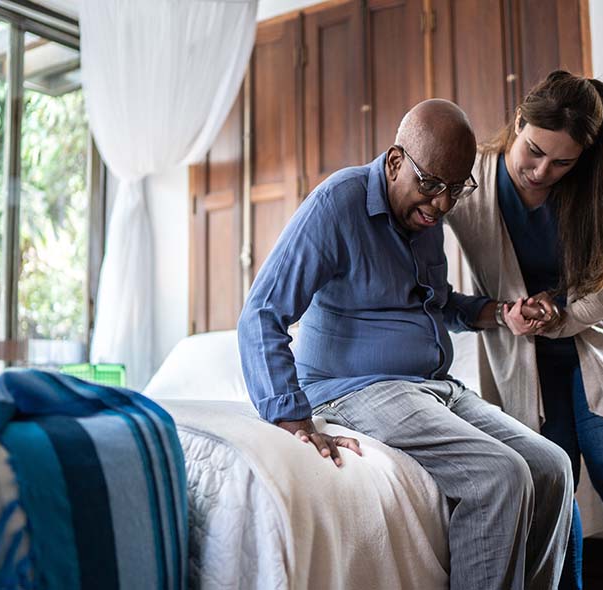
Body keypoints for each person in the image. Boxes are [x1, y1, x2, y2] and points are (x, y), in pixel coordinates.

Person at [238, 99, 574, 590]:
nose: (441, 204)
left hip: (433, 385)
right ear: (395, 162)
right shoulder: (337, 205)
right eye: (432, 185)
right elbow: (261, 314)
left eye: (455, 190)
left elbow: (436, 304)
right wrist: (294, 421)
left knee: (551, 467)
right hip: (356, 388)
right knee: (499, 478)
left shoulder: (424, 220)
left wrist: (500, 312)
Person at [446, 70, 603, 589]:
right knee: (553, 480)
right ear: (519, 122)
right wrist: (499, 311)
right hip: (525, 347)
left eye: (562, 162)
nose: (542, 171)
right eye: (534, 151)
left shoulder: (600, 193)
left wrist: (558, 313)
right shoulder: (473, 181)